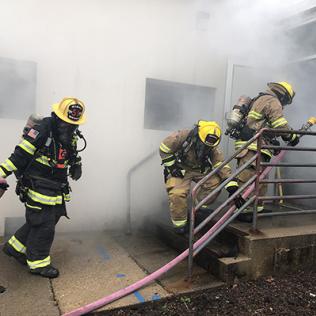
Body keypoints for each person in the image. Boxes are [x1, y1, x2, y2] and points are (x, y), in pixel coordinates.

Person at [0, 97, 86, 278]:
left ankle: (15, 247)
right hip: (37, 185)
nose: (70, 126)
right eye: (66, 122)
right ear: (57, 117)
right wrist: (2, 172)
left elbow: (71, 151)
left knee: (48, 218)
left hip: (56, 187)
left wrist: (77, 164)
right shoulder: (42, 129)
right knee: (44, 225)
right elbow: (20, 154)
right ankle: (38, 263)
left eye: (73, 124)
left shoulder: (70, 133)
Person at [159, 120, 244, 234]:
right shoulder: (183, 136)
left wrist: (232, 188)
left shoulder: (212, 146)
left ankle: (198, 208)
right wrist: (172, 167)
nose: (206, 147)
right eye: (204, 143)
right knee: (177, 193)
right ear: (199, 136)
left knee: (214, 183)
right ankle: (180, 223)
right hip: (180, 169)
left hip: (199, 170)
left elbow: (221, 165)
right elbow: (164, 149)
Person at [233, 81, 299, 221]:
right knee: (248, 178)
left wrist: (273, 142)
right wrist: (292, 136)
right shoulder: (272, 101)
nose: (285, 105)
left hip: (258, 145)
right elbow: (280, 124)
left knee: (260, 179)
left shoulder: (262, 98)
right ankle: (242, 212)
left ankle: (257, 208)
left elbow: (265, 125)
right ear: (284, 96)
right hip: (252, 145)